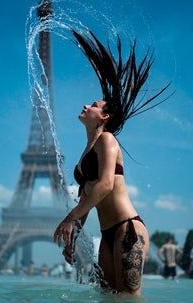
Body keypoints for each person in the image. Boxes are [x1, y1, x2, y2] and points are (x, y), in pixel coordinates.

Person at [53, 28, 170, 296]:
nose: (86, 105)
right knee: (107, 298)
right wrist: (75, 235)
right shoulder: (85, 153)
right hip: (107, 236)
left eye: (93, 104)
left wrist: (70, 218)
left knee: (129, 298)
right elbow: (87, 195)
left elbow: (105, 185)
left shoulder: (107, 140)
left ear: (103, 118)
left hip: (127, 229)